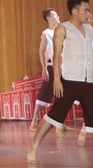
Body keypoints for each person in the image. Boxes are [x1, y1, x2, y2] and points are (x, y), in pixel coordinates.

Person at [27, 0, 93, 166]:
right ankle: (33, 146)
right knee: (54, 116)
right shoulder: (63, 28)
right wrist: (57, 80)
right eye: (85, 9)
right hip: (70, 80)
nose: (89, 13)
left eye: (89, 9)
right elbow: (56, 55)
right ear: (74, 11)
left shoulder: (90, 30)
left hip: (89, 80)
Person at [29, 8, 64, 136]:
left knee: (63, 94)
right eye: (55, 15)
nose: (58, 17)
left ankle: (60, 124)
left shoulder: (62, 31)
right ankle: (34, 121)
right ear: (48, 17)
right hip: (51, 66)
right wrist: (44, 68)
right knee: (45, 92)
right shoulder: (46, 33)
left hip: (64, 66)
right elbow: (41, 50)